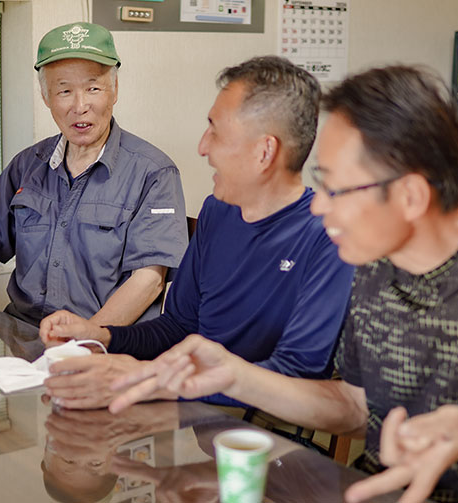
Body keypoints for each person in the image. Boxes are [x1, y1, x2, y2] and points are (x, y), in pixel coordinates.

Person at [107, 66, 458, 503]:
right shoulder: (371, 265)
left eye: (338, 188)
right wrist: (233, 375)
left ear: (410, 196)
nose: (320, 207)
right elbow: (353, 405)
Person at [39, 56, 355, 409]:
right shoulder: (216, 212)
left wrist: (154, 381)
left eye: (215, 131)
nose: (203, 147)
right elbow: (177, 327)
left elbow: (296, 376)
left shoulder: (329, 240)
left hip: (264, 432)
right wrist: (97, 336)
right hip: (191, 412)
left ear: (265, 151)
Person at [0, 22, 188, 326]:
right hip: (24, 339)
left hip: (106, 349)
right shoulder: (27, 164)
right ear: (46, 97)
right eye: (64, 91)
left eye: (93, 88)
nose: (80, 105)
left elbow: (148, 281)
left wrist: (86, 337)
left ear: (114, 90)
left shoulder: (154, 172)